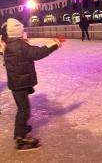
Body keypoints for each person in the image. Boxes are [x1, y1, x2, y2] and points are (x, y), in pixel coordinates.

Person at [4, 18, 62, 151]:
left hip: (15, 82)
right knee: (24, 110)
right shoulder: (20, 45)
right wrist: (54, 45)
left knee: (22, 109)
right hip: (19, 83)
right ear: (18, 31)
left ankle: (21, 129)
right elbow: (37, 53)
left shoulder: (9, 44)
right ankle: (21, 138)